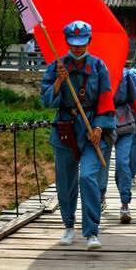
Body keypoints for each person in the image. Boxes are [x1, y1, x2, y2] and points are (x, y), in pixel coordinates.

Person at [40, 20, 114, 250]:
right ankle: (69, 226)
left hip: (92, 127)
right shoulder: (56, 66)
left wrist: (100, 128)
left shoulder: (99, 66)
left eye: (82, 43)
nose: (78, 48)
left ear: (89, 41)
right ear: (67, 42)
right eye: (73, 44)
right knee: (66, 180)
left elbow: (105, 100)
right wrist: (60, 80)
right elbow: (45, 100)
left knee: (87, 177)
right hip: (66, 127)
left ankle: (91, 232)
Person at [98, 68, 136, 223]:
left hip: (125, 122)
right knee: (101, 164)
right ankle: (100, 195)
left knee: (122, 163)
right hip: (102, 124)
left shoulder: (126, 75)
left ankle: (125, 203)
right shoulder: (96, 72)